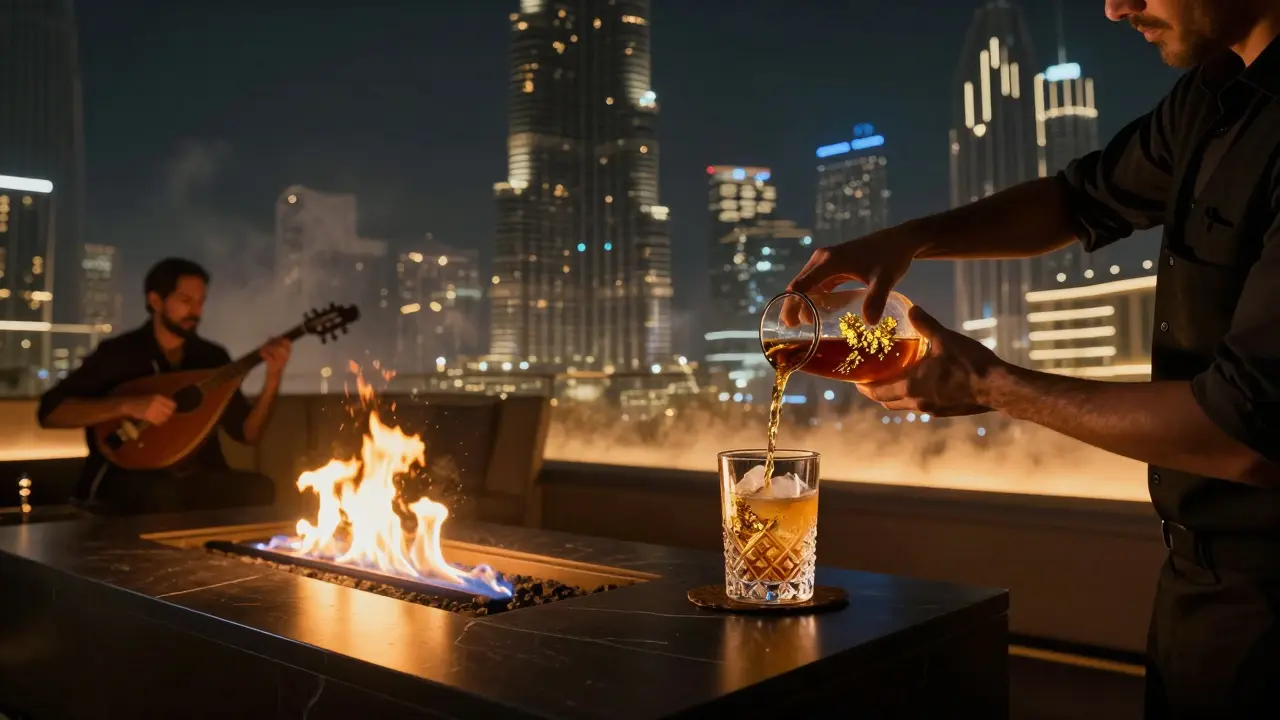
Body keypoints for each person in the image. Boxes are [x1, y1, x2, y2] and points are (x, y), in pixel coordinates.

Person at [787, 1, 1280, 717]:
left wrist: (989, 384)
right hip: (1199, 586)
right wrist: (910, 239)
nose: (1117, 7)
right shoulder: (1213, 94)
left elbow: (1247, 433)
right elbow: (1077, 200)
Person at [38, 258, 291, 515]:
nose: (196, 311)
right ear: (156, 301)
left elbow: (248, 435)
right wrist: (127, 406)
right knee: (162, 494)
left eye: (201, 302)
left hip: (199, 475)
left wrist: (273, 378)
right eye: (185, 301)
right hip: (128, 475)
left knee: (258, 488)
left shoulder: (211, 358)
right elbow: (50, 412)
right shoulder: (119, 354)